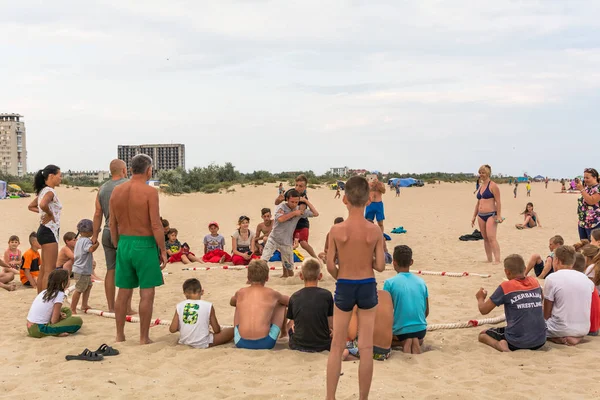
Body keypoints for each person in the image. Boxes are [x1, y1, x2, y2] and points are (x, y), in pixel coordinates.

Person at [326, 176, 386, 400]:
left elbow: (330, 264)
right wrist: (365, 261)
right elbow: (380, 265)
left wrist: (341, 274)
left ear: (345, 199)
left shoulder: (336, 230)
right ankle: (363, 398)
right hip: (367, 283)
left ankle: (330, 397)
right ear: (369, 200)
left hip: (345, 283)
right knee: (366, 346)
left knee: (337, 344)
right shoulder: (374, 231)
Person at [109, 154, 166, 345]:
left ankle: (120, 334)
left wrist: (118, 244)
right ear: (148, 170)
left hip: (124, 242)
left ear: (131, 169)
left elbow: (112, 222)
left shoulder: (117, 191)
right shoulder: (149, 192)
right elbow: (156, 224)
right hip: (144, 243)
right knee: (147, 292)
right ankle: (143, 337)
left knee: (123, 291)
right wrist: (163, 250)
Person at [475, 254, 546, 352]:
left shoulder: (506, 286)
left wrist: (480, 298)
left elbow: (484, 310)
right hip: (541, 340)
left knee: (483, 335)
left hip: (517, 342)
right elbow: (541, 300)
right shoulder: (535, 282)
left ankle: (500, 346)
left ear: (507, 272)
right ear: (525, 268)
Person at [92, 159, 131, 314]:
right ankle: (126, 307)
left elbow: (97, 214)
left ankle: (111, 307)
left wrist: (94, 236)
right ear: (123, 170)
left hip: (107, 231)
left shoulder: (102, 188)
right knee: (127, 269)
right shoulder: (128, 185)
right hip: (124, 232)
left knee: (111, 269)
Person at [229, 260, 289, 350]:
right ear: (267, 278)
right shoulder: (272, 293)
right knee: (281, 303)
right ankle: (284, 332)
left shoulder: (241, 292)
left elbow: (231, 302)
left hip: (240, 341)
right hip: (266, 343)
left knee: (238, 303)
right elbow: (289, 301)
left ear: (248, 278)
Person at [544, 245, 595, 345]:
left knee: (533, 328)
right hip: (584, 328)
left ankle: (560, 339)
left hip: (560, 328)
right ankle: (576, 338)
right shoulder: (586, 279)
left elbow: (547, 314)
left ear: (557, 260)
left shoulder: (552, 278)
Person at [383, 245, 429, 354]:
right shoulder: (421, 282)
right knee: (415, 334)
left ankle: (402, 342)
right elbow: (426, 312)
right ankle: (415, 339)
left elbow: (386, 314)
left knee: (379, 338)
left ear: (394, 262)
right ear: (411, 262)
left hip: (400, 332)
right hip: (421, 330)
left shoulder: (389, 283)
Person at [262, 190, 317, 278]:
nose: (294, 204)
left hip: (287, 242)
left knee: (290, 269)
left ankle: (286, 276)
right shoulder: (281, 207)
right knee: (263, 260)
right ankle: (254, 279)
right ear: (287, 199)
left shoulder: (299, 209)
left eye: (296, 202)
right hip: (274, 239)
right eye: (292, 202)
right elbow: (280, 219)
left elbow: (315, 213)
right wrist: (294, 213)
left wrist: (306, 201)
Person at [169, 278, 234, 348]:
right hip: (202, 342)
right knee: (233, 331)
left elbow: (172, 329)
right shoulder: (208, 305)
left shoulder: (179, 305)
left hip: (184, 341)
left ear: (184, 293)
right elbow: (217, 330)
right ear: (202, 292)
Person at [286, 258, 333, 352]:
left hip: (298, 345)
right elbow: (330, 323)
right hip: (323, 344)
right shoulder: (327, 295)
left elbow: (290, 325)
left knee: (292, 327)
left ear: (301, 276)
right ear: (320, 276)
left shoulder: (295, 297)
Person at [28, 164, 62, 293]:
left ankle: (40, 299)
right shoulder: (50, 191)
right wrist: (49, 214)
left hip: (43, 230)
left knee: (43, 269)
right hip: (49, 232)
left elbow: (31, 206)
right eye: (59, 175)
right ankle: (46, 301)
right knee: (50, 269)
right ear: (51, 176)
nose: (61, 178)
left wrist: (44, 213)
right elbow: (42, 204)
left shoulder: (42, 191)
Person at [26, 269, 83, 338]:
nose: (69, 281)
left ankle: (56, 329)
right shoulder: (59, 294)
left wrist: (59, 314)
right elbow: (54, 321)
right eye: (68, 279)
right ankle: (55, 332)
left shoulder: (45, 291)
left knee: (66, 310)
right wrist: (58, 317)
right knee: (77, 321)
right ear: (62, 282)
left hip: (30, 327)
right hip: (39, 329)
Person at [275, 175, 318, 259]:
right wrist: (279, 199)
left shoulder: (304, 197)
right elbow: (276, 203)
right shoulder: (291, 192)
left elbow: (301, 212)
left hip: (302, 223)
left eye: (301, 186)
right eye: (296, 185)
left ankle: (316, 258)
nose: (298, 188)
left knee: (304, 244)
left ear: (305, 187)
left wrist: (298, 207)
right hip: (290, 223)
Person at [343, 290, 393, 361]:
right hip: (385, 353)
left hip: (368, 351)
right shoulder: (386, 294)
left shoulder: (357, 297)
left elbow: (351, 335)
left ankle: (350, 356)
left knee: (342, 341)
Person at [471, 165, 503, 264]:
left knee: (491, 237)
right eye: (480, 172)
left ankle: (497, 259)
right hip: (481, 215)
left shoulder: (493, 186)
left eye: (483, 173)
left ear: (488, 173)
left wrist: (498, 215)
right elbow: (478, 203)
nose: (481, 175)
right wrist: (474, 216)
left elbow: (498, 201)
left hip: (491, 214)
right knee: (485, 238)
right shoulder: (481, 186)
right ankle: (489, 259)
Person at [70, 219, 100, 314]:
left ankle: (84, 304)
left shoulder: (79, 240)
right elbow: (90, 249)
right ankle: (73, 308)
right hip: (82, 269)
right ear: (87, 231)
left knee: (88, 286)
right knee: (79, 289)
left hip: (81, 269)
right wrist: (96, 245)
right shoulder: (86, 241)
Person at [576, 168, 600, 240]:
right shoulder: (586, 188)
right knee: (584, 246)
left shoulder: (598, 188)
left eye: (587, 178)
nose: (585, 179)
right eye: (584, 177)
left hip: (594, 222)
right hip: (582, 222)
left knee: (593, 246)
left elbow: (591, 201)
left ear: (594, 177)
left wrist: (582, 190)